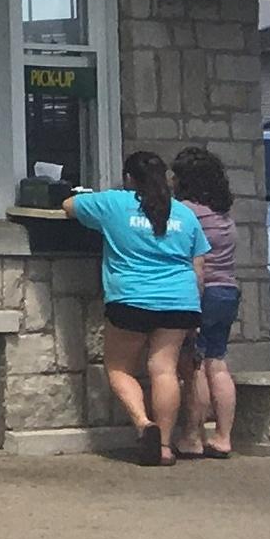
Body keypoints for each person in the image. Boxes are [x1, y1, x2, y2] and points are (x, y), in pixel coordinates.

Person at [66, 149, 212, 466]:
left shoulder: (114, 203)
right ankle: (164, 448)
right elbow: (199, 266)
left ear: (130, 179)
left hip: (131, 299)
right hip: (179, 301)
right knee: (164, 370)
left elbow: (68, 206)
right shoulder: (185, 215)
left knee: (119, 368)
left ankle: (145, 425)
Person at [170, 144, 243, 459]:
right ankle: (224, 437)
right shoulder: (223, 215)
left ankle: (193, 437)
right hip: (228, 292)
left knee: (195, 366)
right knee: (218, 364)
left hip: (203, 293)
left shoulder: (185, 212)